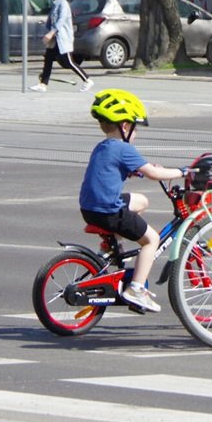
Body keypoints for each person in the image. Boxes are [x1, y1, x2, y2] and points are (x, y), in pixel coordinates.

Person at [78, 89, 184, 313]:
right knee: (151, 240)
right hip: (109, 211)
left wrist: (137, 172)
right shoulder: (124, 148)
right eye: (135, 128)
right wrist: (182, 172)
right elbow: (155, 174)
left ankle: (110, 245)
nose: (136, 134)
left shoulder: (103, 146)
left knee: (141, 201)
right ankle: (136, 289)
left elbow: (110, 170)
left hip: (90, 208)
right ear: (125, 126)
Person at [31, 0, 93, 92]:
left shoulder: (63, 5)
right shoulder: (56, 4)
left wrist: (50, 33)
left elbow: (61, 21)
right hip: (56, 39)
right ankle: (43, 84)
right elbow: (52, 20)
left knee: (69, 62)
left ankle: (87, 80)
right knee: (48, 59)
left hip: (62, 39)